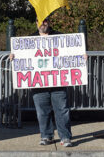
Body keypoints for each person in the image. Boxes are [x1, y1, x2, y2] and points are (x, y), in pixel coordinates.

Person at [11, 17, 73, 147]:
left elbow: (71, 52)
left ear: (49, 22)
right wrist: (14, 56)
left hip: (58, 82)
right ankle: (46, 136)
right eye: (40, 21)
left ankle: (65, 137)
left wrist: (81, 55)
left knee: (62, 110)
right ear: (36, 23)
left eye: (45, 21)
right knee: (42, 111)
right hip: (39, 82)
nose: (43, 24)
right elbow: (22, 57)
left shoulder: (60, 37)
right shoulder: (29, 40)